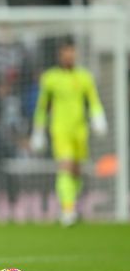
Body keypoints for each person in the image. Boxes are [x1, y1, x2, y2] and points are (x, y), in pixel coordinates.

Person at [30, 41, 107, 226]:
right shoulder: (50, 78)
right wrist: (38, 130)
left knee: (76, 170)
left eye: (72, 52)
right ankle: (67, 209)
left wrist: (98, 117)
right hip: (60, 129)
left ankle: (70, 205)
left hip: (80, 130)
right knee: (65, 166)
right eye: (66, 52)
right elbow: (42, 106)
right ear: (60, 54)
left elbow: (93, 100)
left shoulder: (84, 76)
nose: (69, 56)